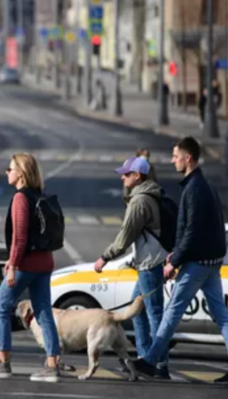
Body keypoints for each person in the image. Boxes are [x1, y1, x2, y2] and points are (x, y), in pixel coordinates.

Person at [132, 137, 228, 384]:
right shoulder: (203, 185)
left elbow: (191, 231)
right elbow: (202, 229)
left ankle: (151, 361)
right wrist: (176, 254)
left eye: (176, 156)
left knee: (172, 312)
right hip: (211, 262)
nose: (173, 160)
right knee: (221, 314)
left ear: (188, 158)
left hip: (198, 263)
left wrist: (174, 261)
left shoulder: (194, 189)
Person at [0, 153, 61, 383]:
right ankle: (52, 365)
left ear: (21, 174)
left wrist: (13, 265)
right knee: (44, 312)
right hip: (45, 262)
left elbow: (20, 238)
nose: (7, 172)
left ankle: (2, 363)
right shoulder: (38, 196)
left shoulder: (20, 199)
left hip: (27, 264)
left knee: (0, 308)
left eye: (10, 168)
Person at [94, 156, 169, 379]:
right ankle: (146, 360)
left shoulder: (140, 201)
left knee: (155, 314)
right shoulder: (146, 195)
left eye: (126, 174)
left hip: (150, 264)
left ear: (138, 176)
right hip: (149, 262)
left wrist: (104, 258)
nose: (122, 177)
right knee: (137, 312)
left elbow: (125, 237)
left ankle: (159, 365)